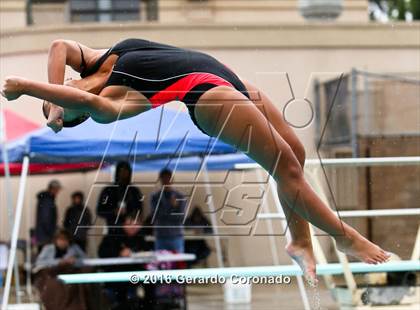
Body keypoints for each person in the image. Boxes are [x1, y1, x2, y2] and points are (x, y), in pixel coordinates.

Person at [2, 38, 390, 281]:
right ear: (71, 113)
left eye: (58, 93)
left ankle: (300, 240)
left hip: (225, 77)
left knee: (297, 152)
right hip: (206, 97)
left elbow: (58, 47)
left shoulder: (96, 60)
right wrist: (25, 88)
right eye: (59, 104)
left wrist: (49, 95)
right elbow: (84, 101)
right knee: (284, 166)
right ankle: (344, 237)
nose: (62, 93)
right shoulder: (106, 107)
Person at [98, 212, 152, 310]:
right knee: (122, 290)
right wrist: (119, 253)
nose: (133, 227)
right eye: (130, 223)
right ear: (124, 224)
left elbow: (146, 250)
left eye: (136, 225)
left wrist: (142, 253)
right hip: (116, 272)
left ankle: (148, 306)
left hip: (134, 271)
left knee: (151, 279)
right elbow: (102, 252)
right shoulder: (113, 235)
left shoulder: (139, 237)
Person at [97, 161, 144, 229]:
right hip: (114, 230)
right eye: (121, 170)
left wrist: (130, 213)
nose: (123, 173)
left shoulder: (134, 191)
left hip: (131, 230)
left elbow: (140, 210)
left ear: (129, 172)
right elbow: (100, 211)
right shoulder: (108, 190)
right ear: (117, 172)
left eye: (126, 171)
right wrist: (114, 212)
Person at [150, 168, 186, 253]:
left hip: (176, 236)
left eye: (168, 178)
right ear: (160, 179)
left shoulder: (180, 196)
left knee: (178, 264)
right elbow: (155, 215)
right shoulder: (155, 197)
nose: (166, 180)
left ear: (172, 179)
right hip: (161, 236)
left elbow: (181, 217)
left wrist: (170, 210)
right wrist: (172, 207)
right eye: (164, 178)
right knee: (161, 265)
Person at [34, 179, 61, 252]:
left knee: (43, 256)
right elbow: (46, 218)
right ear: (53, 189)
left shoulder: (45, 199)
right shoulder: (47, 200)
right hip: (46, 235)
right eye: (57, 189)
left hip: (43, 234)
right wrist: (51, 233)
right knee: (45, 257)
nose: (58, 192)